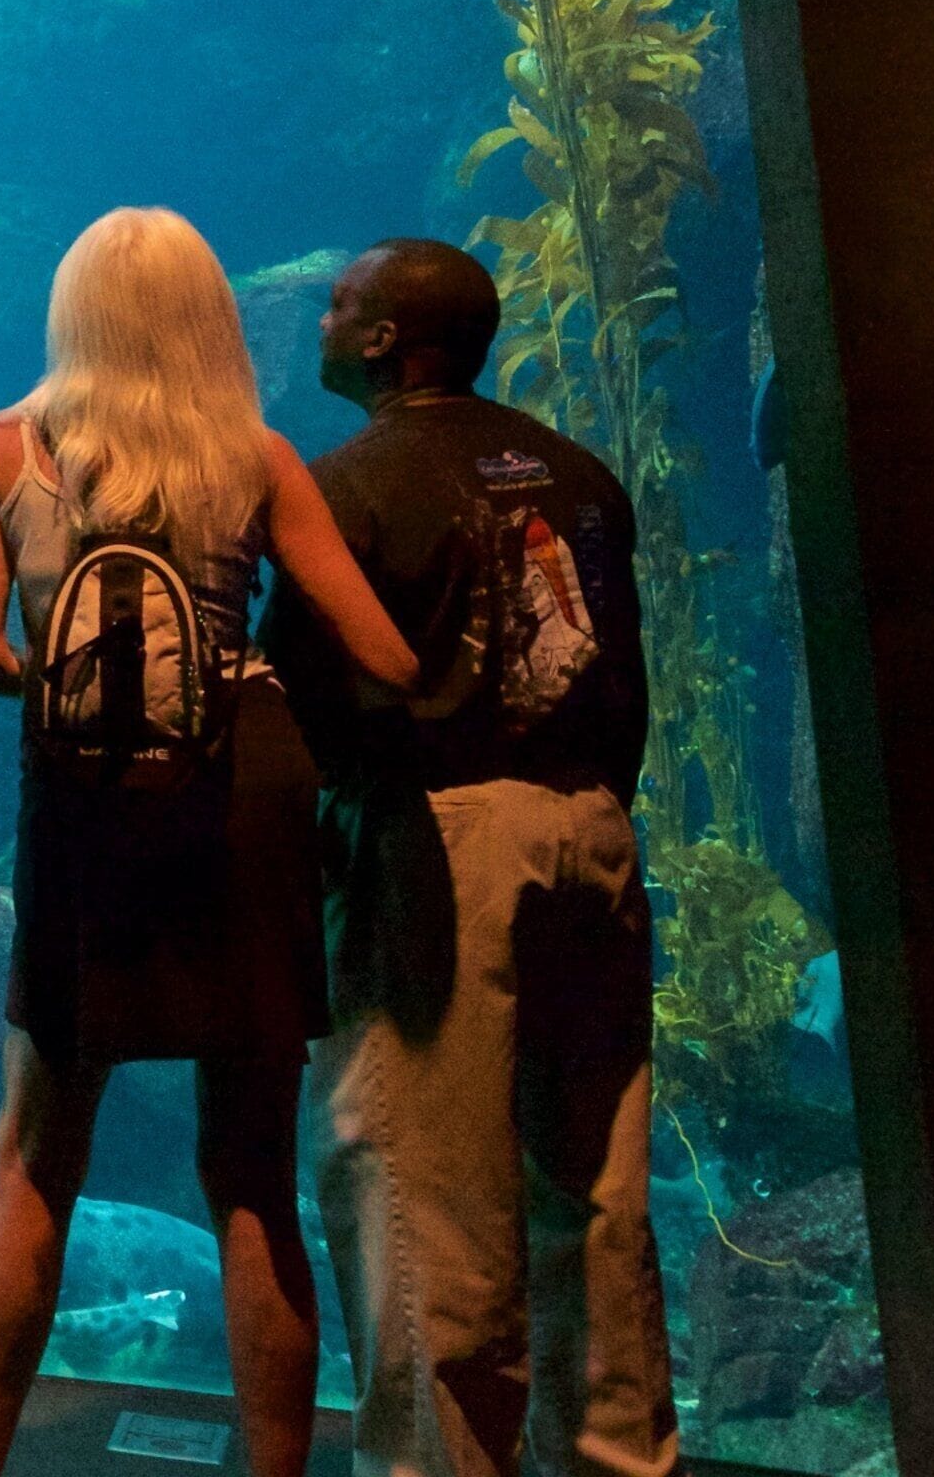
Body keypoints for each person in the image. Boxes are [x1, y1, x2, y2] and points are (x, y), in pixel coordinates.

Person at [0, 208, 419, 1477]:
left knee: (35, 1156)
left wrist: (84, 688)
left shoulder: (5, 447)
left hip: (85, 805)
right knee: (252, 1168)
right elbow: (382, 654)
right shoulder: (253, 454)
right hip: (244, 800)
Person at [258, 238, 678, 1477]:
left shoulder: (345, 489)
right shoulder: (579, 476)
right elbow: (624, 675)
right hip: (594, 826)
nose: (323, 320)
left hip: (440, 841)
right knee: (596, 1191)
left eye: (339, 305)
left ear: (388, 340)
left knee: (421, 1199)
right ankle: (620, 1460)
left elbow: (309, 699)